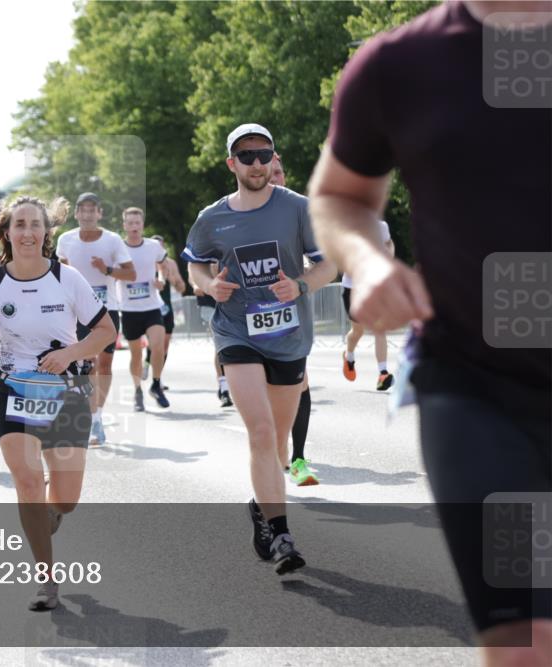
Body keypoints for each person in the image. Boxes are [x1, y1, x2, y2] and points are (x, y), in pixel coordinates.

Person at [308, 2, 551, 661]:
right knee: (528, 641)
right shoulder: (399, 65)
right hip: (480, 391)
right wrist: (367, 262)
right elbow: (339, 195)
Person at [183, 123, 336, 575]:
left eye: (263, 154)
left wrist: (301, 285)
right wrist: (210, 286)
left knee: (279, 446)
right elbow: (195, 268)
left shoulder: (298, 208)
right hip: (237, 332)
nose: (256, 163)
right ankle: (282, 535)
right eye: (246, 156)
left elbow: (329, 264)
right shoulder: (212, 217)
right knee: (262, 432)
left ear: (274, 158)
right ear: (231, 163)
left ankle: (260, 504)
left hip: (288, 337)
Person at [0, 195, 115, 611]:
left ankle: (51, 512)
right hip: (14, 391)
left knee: (66, 499)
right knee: (27, 484)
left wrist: (70, 353)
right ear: (6, 233)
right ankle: (46, 580)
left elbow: (106, 331)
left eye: (35, 224)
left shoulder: (67, 278)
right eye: (19, 224)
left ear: (46, 232)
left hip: (66, 389)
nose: (27, 232)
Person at [55, 192, 135, 444]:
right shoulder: (65, 240)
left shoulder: (112, 240)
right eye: (83, 209)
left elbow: (131, 274)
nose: (87, 214)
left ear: (99, 213)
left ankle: (97, 415)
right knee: (86, 364)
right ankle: (89, 415)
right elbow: (59, 273)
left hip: (106, 309)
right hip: (76, 312)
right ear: (76, 213)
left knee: (105, 365)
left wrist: (106, 269)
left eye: (92, 210)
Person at [269, 155, 317, 486]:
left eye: (279, 172)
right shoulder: (238, 211)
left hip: (291, 312)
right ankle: (273, 451)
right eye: (269, 172)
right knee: (267, 391)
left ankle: (298, 458)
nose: (274, 177)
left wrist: (304, 279)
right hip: (250, 318)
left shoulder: (298, 210)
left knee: (300, 383)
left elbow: (321, 259)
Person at [115, 207, 170, 410]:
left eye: (137, 223)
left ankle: (156, 384)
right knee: (136, 355)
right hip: (129, 309)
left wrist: (161, 279)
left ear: (142, 225)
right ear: (124, 225)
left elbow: (163, 265)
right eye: (130, 223)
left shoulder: (153, 246)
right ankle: (137, 389)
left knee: (158, 345)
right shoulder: (118, 248)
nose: (134, 227)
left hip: (152, 306)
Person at [340, 220, 396, 391]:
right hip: (353, 289)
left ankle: (383, 373)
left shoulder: (381, 226)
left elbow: (389, 245)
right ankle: (349, 357)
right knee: (357, 332)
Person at [144, 235, 186, 384]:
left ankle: (157, 378)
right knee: (155, 342)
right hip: (149, 308)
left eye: (160, 247)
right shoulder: (144, 262)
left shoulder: (170, 263)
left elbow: (182, 287)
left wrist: (174, 282)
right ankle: (147, 362)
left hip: (166, 307)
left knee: (165, 345)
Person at [189, 264, 232, 407]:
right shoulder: (205, 250)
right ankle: (224, 388)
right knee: (220, 343)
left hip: (232, 301)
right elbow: (192, 268)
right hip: (209, 302)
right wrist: (196, 285)